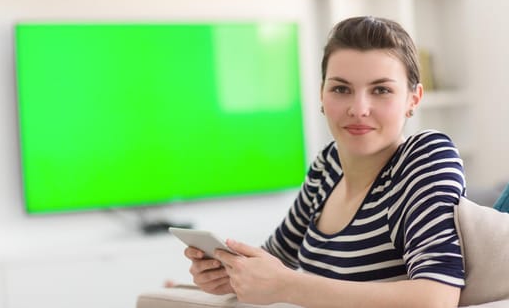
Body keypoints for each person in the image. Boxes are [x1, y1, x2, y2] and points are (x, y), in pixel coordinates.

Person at [175, 16, 466, 308]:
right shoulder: (328, 165)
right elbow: (272, 262)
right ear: (321, 94)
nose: (358, 109)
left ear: (413, 99)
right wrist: (225, 275)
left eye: (381, 90)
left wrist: (287, 285)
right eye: (341, 89)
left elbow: (436, 298)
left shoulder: (426, 156)